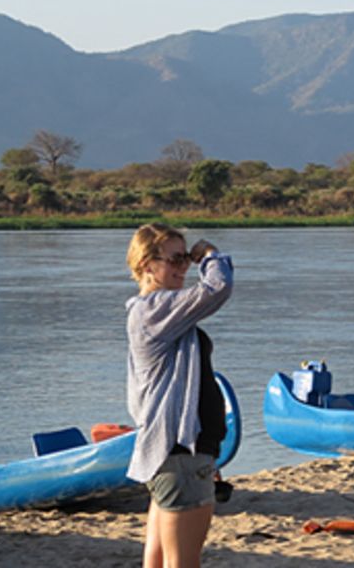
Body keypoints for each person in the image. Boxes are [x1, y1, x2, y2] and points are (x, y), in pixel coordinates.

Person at [125, 223, 233, 568]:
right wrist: (211, 256)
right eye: (176, 258)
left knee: (158, 559)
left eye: (187, 258)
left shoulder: (155, 312)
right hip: (180, 455)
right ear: (147, 264)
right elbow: (217, 288)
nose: (184, 267)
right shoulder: (154, 309)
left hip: (174, 454)